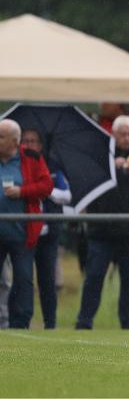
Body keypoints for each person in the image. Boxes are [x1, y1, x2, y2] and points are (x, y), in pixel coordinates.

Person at [76, 115, 129, 330]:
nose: (126, 138)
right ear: (113, 135)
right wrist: (111, 168)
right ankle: (84, 322)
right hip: (101, 229)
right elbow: (88, 180)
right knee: (94, 277)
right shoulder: (101, 155)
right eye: (122, 134)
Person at [0, 119, 52, 329]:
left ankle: (20, 322)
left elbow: (46, 185)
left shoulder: (31, 157)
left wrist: (22, 192)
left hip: (23, 233)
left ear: (14, 142)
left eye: (1, 137)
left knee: (23, 279)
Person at [21, 129, 71, 330]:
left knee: (47, 280)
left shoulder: (53, 165)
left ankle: (50, 322)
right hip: (24, 230)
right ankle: (21, 321)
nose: (30, 145)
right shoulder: (19, 164)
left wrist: (44, 189)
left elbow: (66, 195)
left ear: (41, 145)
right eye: (26, 141)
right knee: (23, 278)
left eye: (34, 141)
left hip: (49, 230)